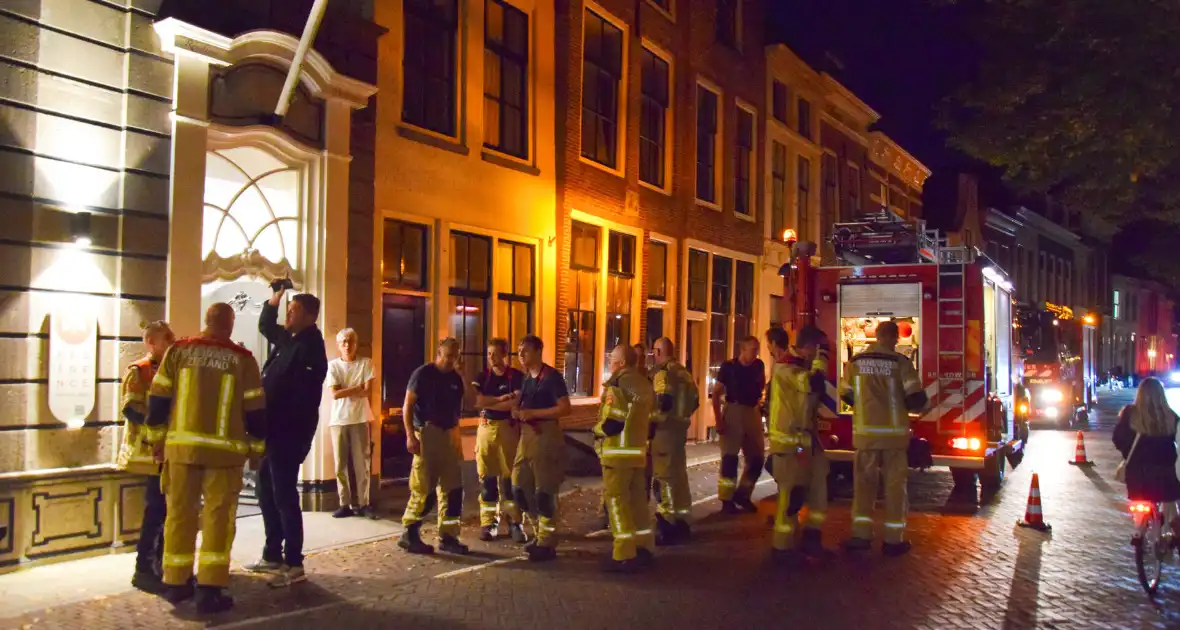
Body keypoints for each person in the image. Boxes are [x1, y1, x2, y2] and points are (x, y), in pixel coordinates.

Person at [143, 304, 266, 613]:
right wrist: (258, 450)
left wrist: (156, 441)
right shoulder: (243, 360)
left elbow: (158, 398)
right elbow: (256, 410)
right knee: (218, 520)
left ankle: (176, 583)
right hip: (225, 455)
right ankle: (210, 589)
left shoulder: (179, 351)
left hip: (182, 451)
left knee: (179, 515)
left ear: (206, 321)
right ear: (230, 324)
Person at [247, 283, 328, 587]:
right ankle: (272, 552)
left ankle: (294, 561)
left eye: (293, 310)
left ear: (309, 315)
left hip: (288, 434)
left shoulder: (310, 347)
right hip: (271, 431)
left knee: (284, 495)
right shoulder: (289, 339)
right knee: (265, 491)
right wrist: (276, 297)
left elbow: (301, 397)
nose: (288, 314)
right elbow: (266, 324)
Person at [838, 320, 927, 556]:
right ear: (895, 338)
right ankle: (892, 540)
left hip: (866, 435)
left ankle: (861, 536)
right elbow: (915, 397)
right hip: (893, 438)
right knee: (895, 488)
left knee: (864, 486)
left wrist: (865, 406)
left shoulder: (856, 362)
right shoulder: (901, 363)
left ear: (876, 336)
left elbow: (845, 393)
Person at [399, 337, 473, 555]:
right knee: (424, 488)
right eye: (449, 355)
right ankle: (409, 533)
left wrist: (463, 375)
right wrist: (410, 435)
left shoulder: (455, 379)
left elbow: (466, 404)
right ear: (438, 354)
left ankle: (448, 536)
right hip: (427, 433)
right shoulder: (422, 374)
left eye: (456, 355)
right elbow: (408, 405)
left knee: (453, 489)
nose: (452, 360)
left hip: (449, 433)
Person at [765, 326, 831, 562]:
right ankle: (782, 548)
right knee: (791, 497)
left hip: (806, 443)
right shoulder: (786, 366)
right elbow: (813, 384)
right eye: (819, 349)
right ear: (810, 347)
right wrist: (821, 362)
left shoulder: (800, 365)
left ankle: (811, 540)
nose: (820, 354)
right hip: (790, 445)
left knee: (818, 490)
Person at [118, 320, 175, 594]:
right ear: (151, 342)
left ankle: (162, 566)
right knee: (156, 511)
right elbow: (130, 408)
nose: (172, 342)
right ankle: (144, 568)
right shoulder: (139, 372)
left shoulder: (173, 370)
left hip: (167, 452)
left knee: (166, 511)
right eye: (167, 338)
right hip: (149, 452)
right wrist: (156, 428)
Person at [512, 335, 571, 562]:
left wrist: (534, 414)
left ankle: (547, 542)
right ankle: (538, 531)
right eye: (518, 351)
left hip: (545, 436)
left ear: (538, 352)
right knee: (519, 486)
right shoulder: (527, 379)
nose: (520, 355)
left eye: (525, 351)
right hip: (525, 438)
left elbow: (565, 408)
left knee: (544, 491)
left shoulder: (552, 378)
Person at [596, 344, 655, 572]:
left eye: (612, 359)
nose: (609, 363)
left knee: (617, 503)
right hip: (637, 453)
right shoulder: (644, 384)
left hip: (617, 454)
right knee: (638, 503)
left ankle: (623, 552)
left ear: (621, 363)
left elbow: (613, 423)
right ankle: (643, 547)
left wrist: (596, 431)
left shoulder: (617, 384)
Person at [473, 338, 526, 542]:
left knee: (509, 479)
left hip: (508, 429)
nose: (491, 358)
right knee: (486, 478)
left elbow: (516, 402)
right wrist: (502, 400)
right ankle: (488, 523)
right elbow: (477, 402)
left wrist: (492, 402)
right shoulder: (483, 377)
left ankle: (515, 522)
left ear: (504, 354)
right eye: (488, 354)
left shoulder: (516, 377)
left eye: (495, 353)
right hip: (486, 428)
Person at [1113, 377, 1180, 530]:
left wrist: (1127, 453)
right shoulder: (1170, 416)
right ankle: (1171, 534)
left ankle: (1140, 531)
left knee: (1140, 500)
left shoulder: (1130, 413)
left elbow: (1117, 438)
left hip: (1137, 474)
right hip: (1165, 473)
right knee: (1170, 501)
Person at [649, 337, 698, 545]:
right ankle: (682, 520)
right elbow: (695, 400)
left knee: (663, 477)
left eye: (654, 351)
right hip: (680, 430)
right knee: (679, 475)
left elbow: (664, 400)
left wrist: (652, 421)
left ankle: (667, 521)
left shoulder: (663, 373)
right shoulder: (683, 372)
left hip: (665, 431)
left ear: (659, 351)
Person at [712, 336, 767, 513]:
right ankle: (726, 500)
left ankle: (743, 493)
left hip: (752, 411)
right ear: (742, 350)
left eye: (757, 349)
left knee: (757, 458)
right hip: (734, 410)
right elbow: (716, 393)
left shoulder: (759, 365)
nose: (756, 353)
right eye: (753, 349)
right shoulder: (728, 367)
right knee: (730, 457)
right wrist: (719, 419)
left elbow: (762, 384)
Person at [327, 328, 376, 519]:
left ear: (356, 343)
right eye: (344, 342)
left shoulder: (366, 363)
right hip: (338, 419)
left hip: (360, 417)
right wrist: (357, 387)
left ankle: (364, 503)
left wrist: (346, 389)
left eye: (351, 341)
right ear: (339, 345)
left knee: (362, 462)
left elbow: (367, 392)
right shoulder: (333, 366)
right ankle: (344, 503)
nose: (347, 345)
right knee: (340, 463)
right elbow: (334, 394)